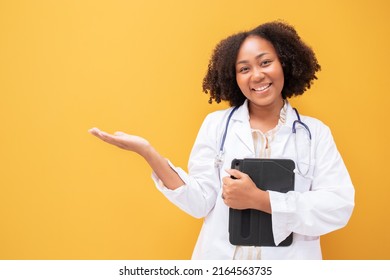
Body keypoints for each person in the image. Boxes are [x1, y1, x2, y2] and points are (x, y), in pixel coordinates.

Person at [89, 20, 355, 260]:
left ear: (284, 63)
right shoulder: (217, 126)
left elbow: (337, 207)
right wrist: (147, 152)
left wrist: (261, 199)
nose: (257, 75)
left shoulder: (314, 133)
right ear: (233, 77)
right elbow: (199, 201)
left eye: (265, 63)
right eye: (244, 68)